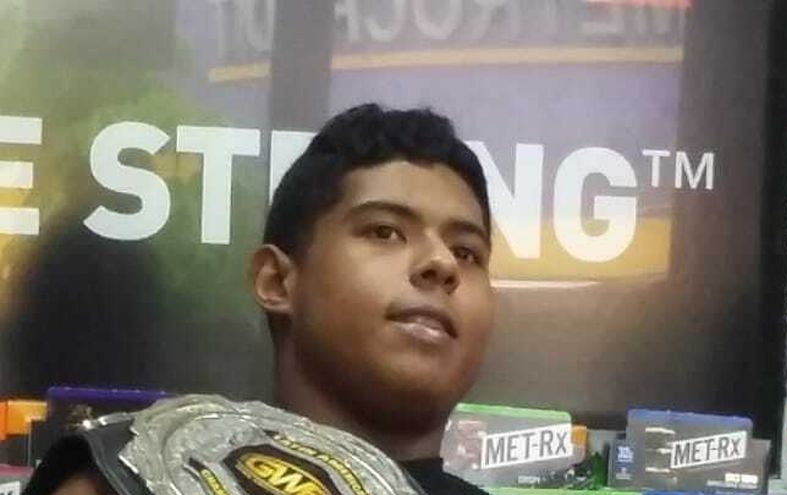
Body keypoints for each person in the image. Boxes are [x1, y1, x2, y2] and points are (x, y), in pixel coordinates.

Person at [25, 103, 496, 495]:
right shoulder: (130, 479)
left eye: (467, 251)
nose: (442, 263)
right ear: (276, 281)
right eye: (385, 231)